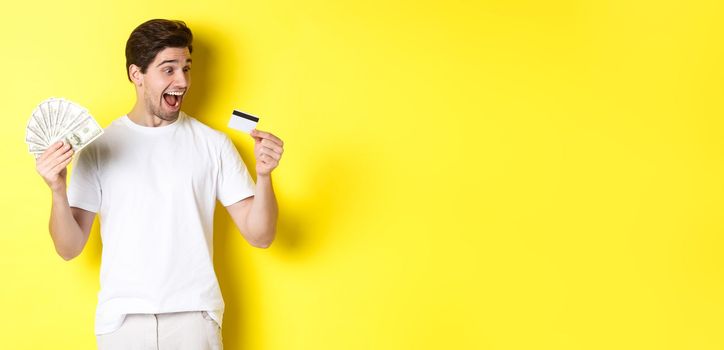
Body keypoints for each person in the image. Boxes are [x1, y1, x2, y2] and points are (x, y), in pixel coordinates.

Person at [34, 19, 284, 349]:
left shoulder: (213, 144)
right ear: (136, 74)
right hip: (123, 321)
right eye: (168, 69)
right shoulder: (99, 147)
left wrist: (265, 176)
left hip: (194, 317)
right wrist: (56, 190)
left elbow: (261, 235)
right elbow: (69, 248)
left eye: (186, 68)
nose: (182, 81)